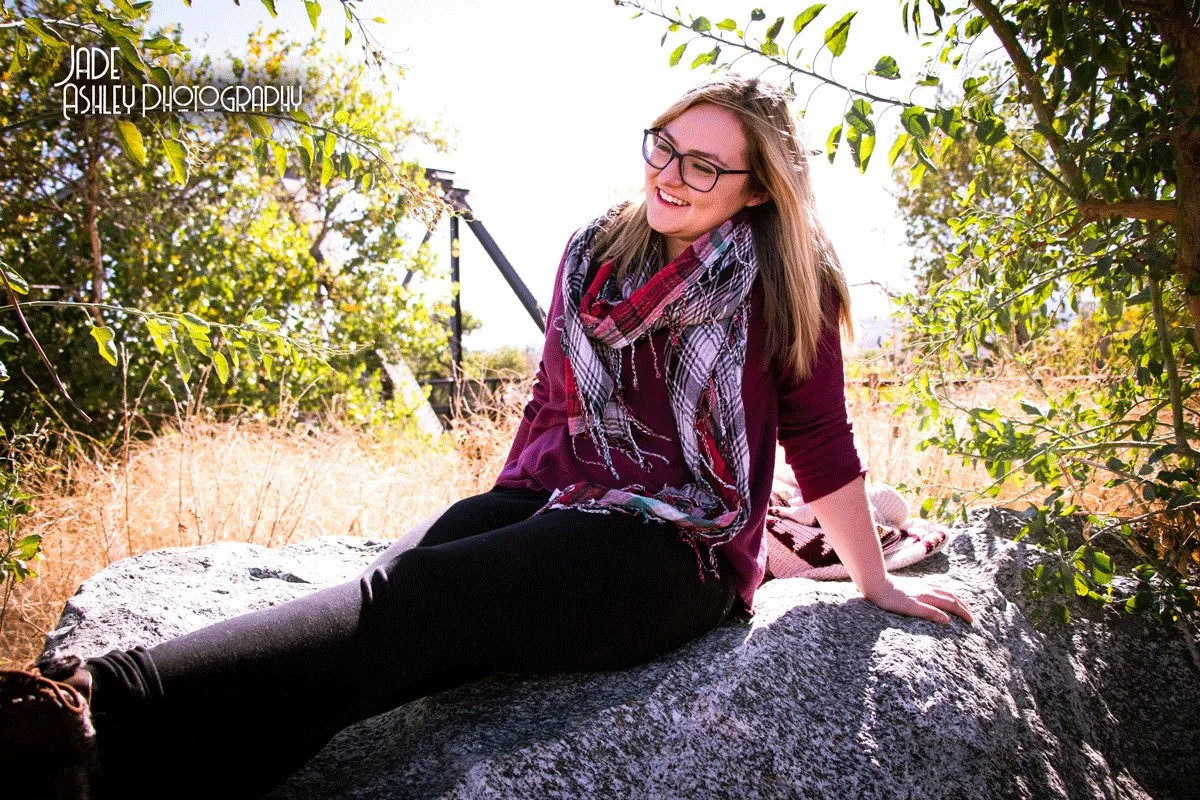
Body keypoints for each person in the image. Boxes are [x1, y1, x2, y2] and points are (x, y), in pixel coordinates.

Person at [1, 73, 973, 800]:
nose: (669, 175)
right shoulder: (598, 250)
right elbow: (554, 405)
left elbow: (819, 434)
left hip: (676, 548)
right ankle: (115, 779)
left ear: (757, 190)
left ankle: (82, 703)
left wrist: (875, 582)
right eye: (663, 146)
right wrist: (505, 512)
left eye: (703, 165)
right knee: (397, 591)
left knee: (417, 600)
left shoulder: (787, 281)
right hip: (565, 496)